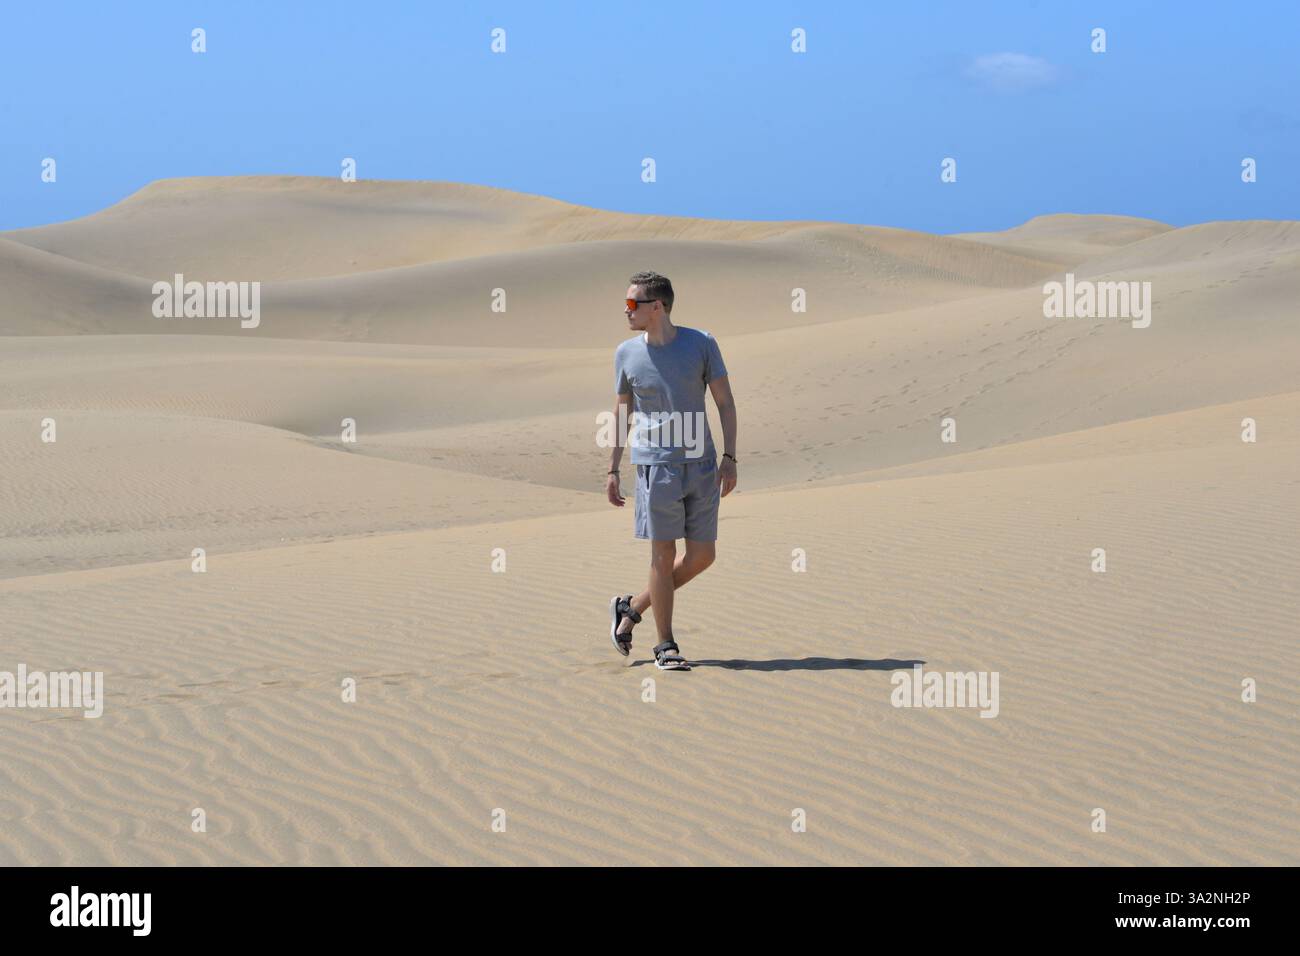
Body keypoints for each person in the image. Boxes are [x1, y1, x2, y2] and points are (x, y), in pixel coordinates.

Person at [606, 270, 738, 670]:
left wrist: (729, 458)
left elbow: (725, 403)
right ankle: (665, 645)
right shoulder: (626, 353)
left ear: (657, 307)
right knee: (663, 555)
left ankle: (631, 608)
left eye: (633, 304)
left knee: (702, 556)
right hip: (655, 466)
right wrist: (612, 469)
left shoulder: (701, 344)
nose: (626, 311)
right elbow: (621, 411)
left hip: (700, 463)